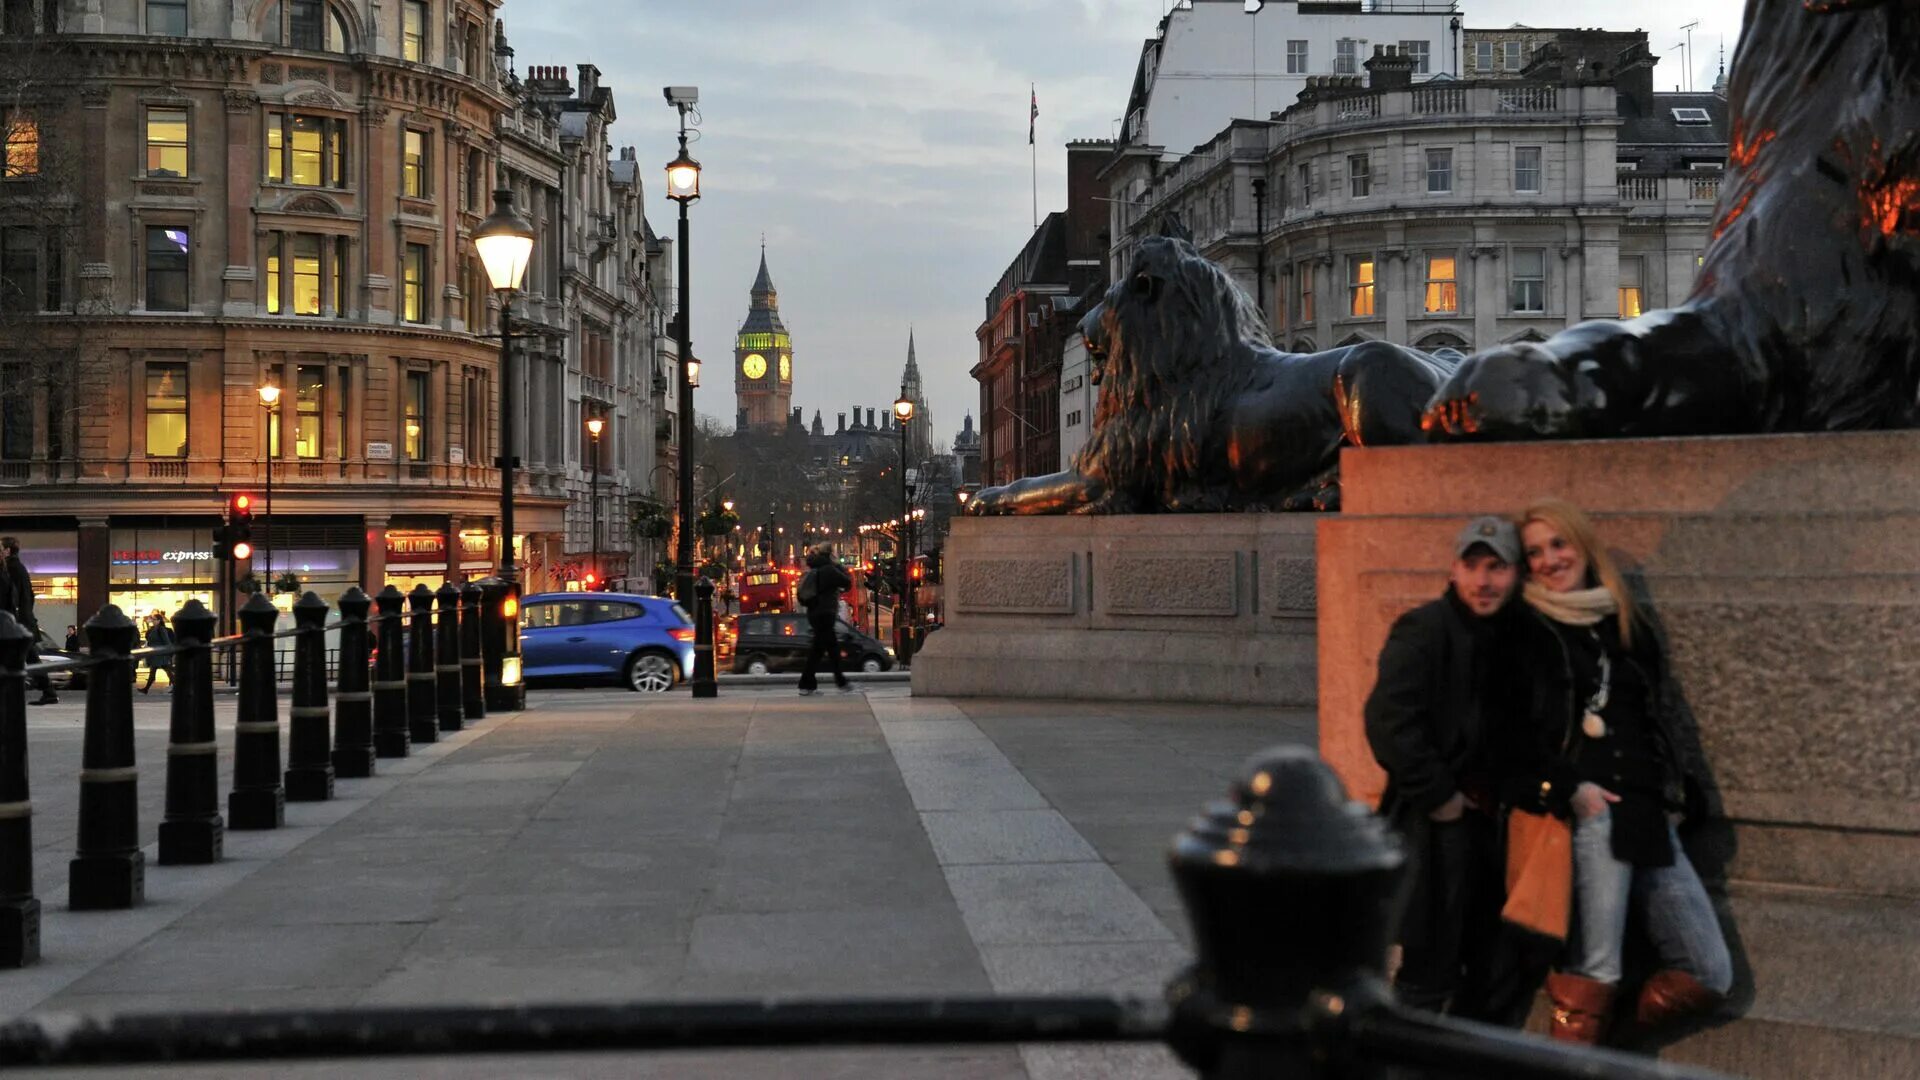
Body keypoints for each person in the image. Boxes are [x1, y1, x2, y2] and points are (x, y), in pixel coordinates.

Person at [1499, 498, 1732, 1044]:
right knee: (1595, 969)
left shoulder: (1624, 624)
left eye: (1559, 543)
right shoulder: (1528, 632)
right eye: (1535, 552)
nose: (1550, 559)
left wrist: (1676, 794)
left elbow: (1650, 720)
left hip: (1648, 816)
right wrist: (1571, 790)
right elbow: (1508, 735)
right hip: (1591, 819)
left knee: (1708, 971)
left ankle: (1604, 1050)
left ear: (1582, 544)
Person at [1364, 516, 1523, 1021]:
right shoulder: (1425, 629)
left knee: (1492, 970)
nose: (1483, 580)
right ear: (1454, 570)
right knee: (1427, 974)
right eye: (1472, 565)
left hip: (1499, 828)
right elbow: (1389, 720)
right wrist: (1440, 797)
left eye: (1496, 567)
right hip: (1439, 829)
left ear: (1516, 573)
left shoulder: (1520, 637)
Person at [0, 537, 55, 705]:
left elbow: (10, 597)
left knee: (25, 658)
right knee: (31, 658)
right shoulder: (20, 568)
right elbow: (29, 596)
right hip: (23, 621)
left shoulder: (9, 568)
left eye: (1, 548)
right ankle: (48, 691)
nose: (1, 551)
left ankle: (45, 691)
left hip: (16, 623)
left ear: (8, 550)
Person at [795, 542, 854, 696]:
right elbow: (847, 582)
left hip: (814, 612)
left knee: (824, 649)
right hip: (825, 612)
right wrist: (838, 565)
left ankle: (814, 683)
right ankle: (810, 683)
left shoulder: (815, 568)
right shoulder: (829, 569)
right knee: (823, 650)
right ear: (830, 553)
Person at [141, 610, 175, 694]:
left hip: (160, 654)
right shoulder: (154, 629)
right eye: (152, 619)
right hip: (156, 654)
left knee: (165, 671)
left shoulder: (161, 629)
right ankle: (146, 689)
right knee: (164, 671)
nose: (152, 620)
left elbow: (166, 641)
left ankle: (146, 689)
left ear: (159, 620)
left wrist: (168, 651)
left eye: (154, 619)